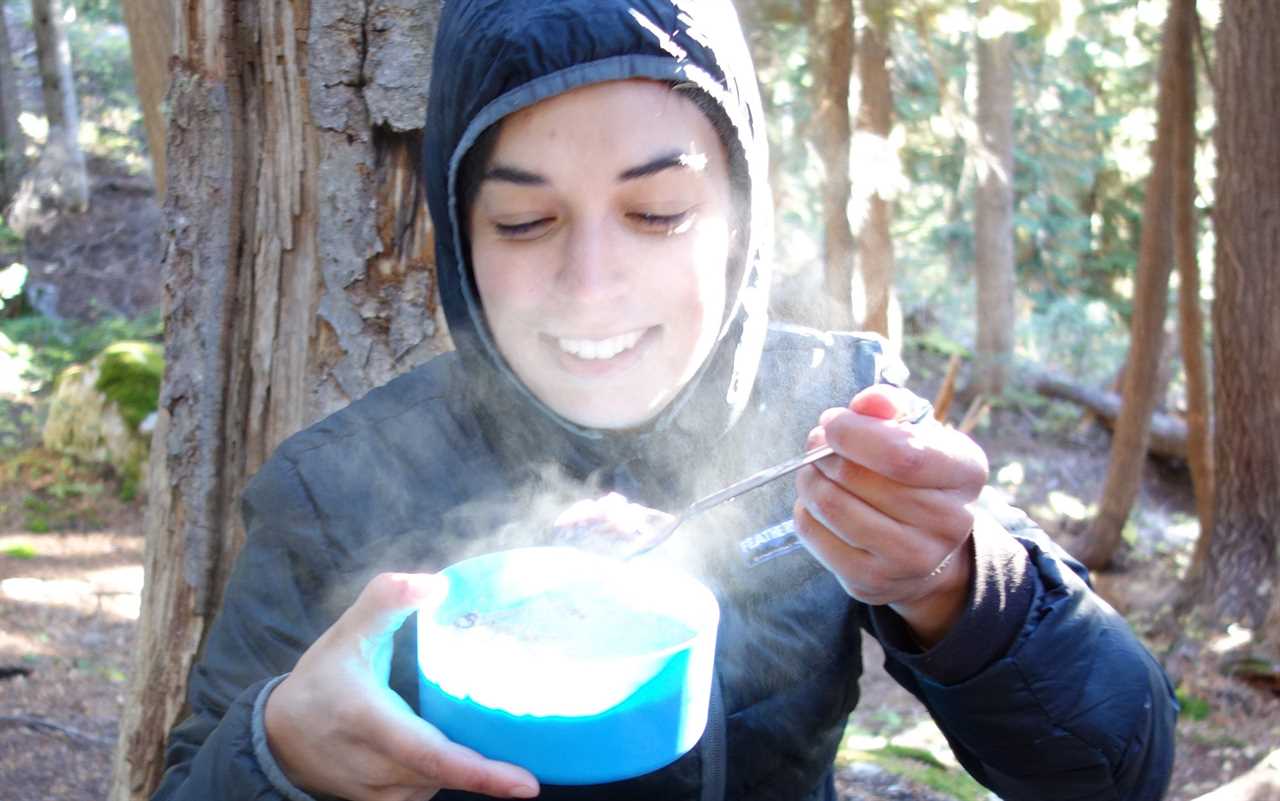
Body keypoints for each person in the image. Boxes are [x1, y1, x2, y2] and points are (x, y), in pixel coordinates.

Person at [151, 1, 1177, 800]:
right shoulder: (334, 491)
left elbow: (1113, 769)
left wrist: (960, 584)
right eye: (521, 221)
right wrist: (283, 753)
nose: (591, 284)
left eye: (656, 211)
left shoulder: (833, 417)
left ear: (739, 212)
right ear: (457, 240)